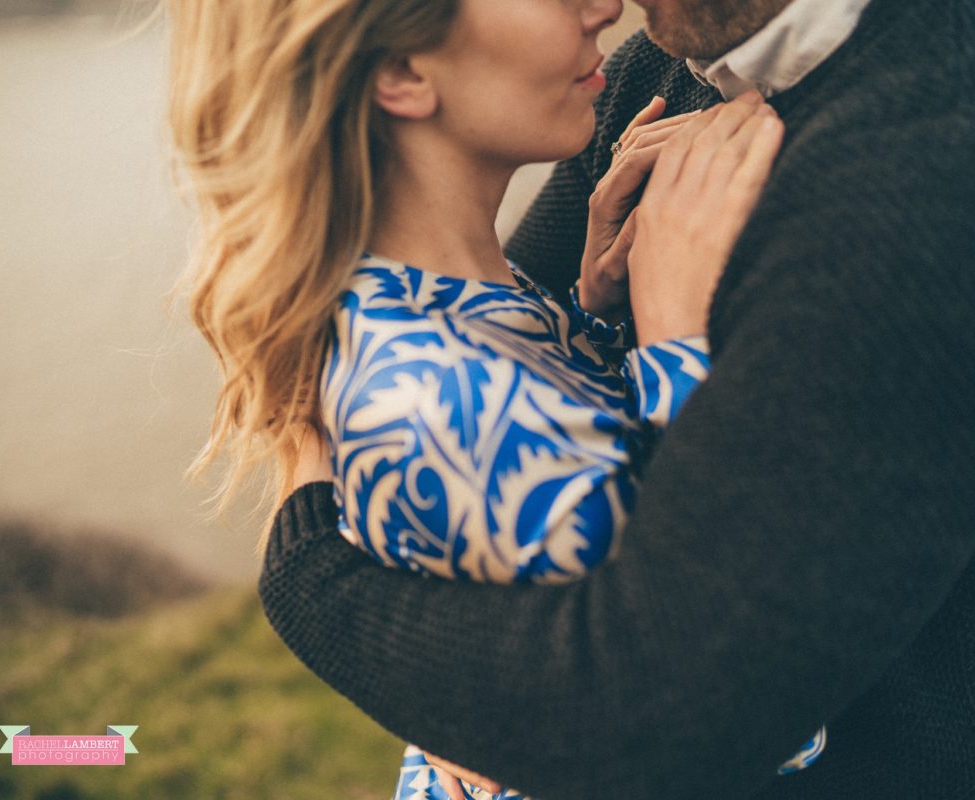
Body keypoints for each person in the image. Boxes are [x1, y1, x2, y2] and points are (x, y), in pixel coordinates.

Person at [259, 0, 975, 798]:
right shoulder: (673, 62)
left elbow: (664, 715)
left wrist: (313, 576)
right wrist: (613, 311)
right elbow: (502, 366)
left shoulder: (973, 178)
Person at [167, 0, 811, 798]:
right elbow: (751, 708)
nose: (603, 7)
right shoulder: (443, 403)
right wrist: (675, 330)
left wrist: (596, 314)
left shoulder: (440, 296)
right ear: (401, 72)